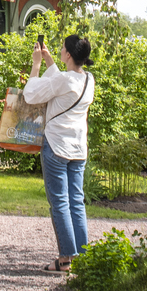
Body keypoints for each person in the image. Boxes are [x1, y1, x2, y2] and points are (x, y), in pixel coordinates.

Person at [25, 34, 95, 272]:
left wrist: (36, 64)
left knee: (60, 203)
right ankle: (83, 258)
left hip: (56, 146)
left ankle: (65, 258)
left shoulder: (65, 81)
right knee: (76, 201)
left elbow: (31, 94)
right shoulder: (88, 80)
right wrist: (50, 62)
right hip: (78, 149)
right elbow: (62, 83)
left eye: (62, 48)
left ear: (68, 54)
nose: (60, 49)